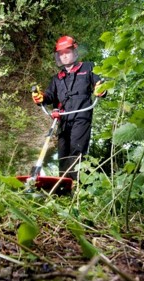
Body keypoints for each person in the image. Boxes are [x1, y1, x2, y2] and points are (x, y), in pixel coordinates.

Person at [32, 35, 106, 180]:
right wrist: (40, 97)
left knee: (76, 150)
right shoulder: (57, 78)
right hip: (63, 120)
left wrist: (100, 88)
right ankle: (62, 187)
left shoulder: (88, 67)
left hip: (81, 116)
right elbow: (49, 96)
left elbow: (100, 85)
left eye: (67, 52)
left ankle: (76, 186)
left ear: (74, 52)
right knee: (63, 154)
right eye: (61, 54)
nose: (64, 56)